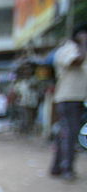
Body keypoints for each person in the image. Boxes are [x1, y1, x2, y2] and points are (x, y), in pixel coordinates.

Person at [50, 24, 87, 181]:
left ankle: (57, 167)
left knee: (64, 133)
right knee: (69, 134)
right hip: (68, 98)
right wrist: (84, 43)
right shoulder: (68, 49)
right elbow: (76, 62)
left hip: (78, 98)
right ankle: (67, 169)